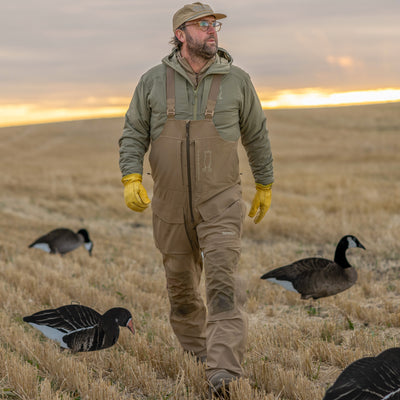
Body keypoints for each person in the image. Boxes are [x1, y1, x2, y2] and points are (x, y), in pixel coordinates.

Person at [119, 2, 273, 397]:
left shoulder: (237, 80)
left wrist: (264, 184)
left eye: (214, 25)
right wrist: (131, 175)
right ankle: (198, 358)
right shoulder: (152, 81)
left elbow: (256, 135)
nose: (212, 31)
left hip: (220, 202)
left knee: (223, 286)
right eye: (202, 25)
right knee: (182, 292)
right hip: (169, 206)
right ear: (181, 34)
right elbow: (134, 131)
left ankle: (224, 375)